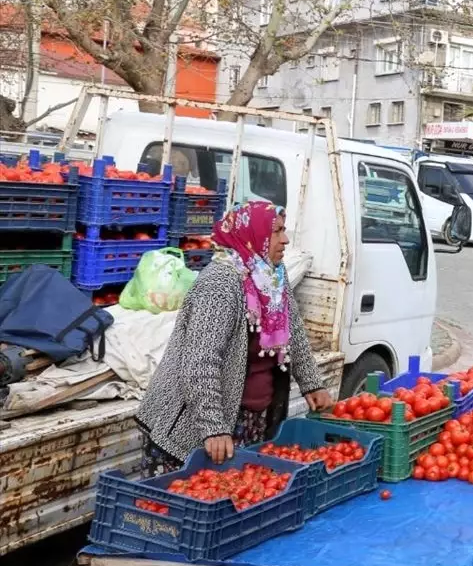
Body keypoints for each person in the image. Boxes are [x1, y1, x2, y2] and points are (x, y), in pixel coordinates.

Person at [135, 202, 334, 473]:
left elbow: (293, 331)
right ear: (253, 233)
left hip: (251, 420)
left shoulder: (273, 275)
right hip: (192, 428)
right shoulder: (220, 283)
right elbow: (199, 362)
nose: (285, 240)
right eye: (276, 231)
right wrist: (213, 428)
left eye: (284, 230)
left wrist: (312, 383)